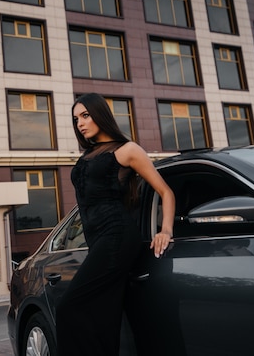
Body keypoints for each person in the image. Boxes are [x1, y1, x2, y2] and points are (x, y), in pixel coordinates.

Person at [55, 92, 175, 356]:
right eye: (76, 119)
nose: (80, 123)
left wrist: (165, 230)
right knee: (104, 319)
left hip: (117, 237)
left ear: (100, 114)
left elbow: (165, 191)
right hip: (98, 241)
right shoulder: (87, 155)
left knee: (68, 309)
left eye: (85, 115)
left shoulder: (127, 150)